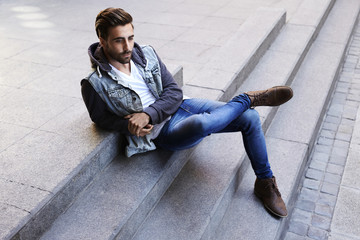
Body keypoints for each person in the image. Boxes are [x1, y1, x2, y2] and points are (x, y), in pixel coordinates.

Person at [81, 7, 293, 218]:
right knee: (202, 124)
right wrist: (126, 125)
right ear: (102, 39)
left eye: (131, 37)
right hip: (165, 130)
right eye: (119, 40)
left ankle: (265, 182)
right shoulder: (94, 83)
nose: (128, 46)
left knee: (251, 117)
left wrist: (148, 114)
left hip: (182, 105)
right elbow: (99, 118)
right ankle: (246, 99)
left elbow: (173, 91)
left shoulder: (146, 53)